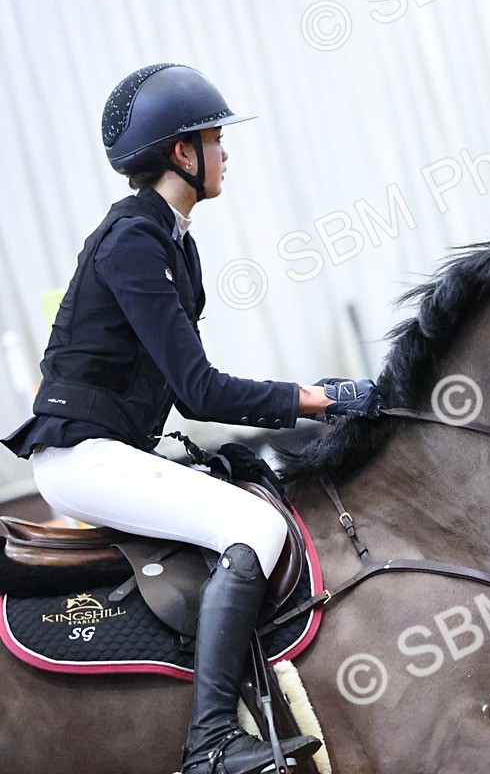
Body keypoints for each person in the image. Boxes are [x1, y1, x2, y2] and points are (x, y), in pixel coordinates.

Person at [1, 64, 382, 774]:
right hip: (82, 457)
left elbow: (184, 387)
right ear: (184, 153)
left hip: (116, 448)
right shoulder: (133, 242)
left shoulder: (175, 242)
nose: (226, 153)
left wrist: (308, 399)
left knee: (254, 502)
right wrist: (318, 398)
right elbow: (200, 390)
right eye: (215, 139)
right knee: (255, 527)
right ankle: (209, 741)